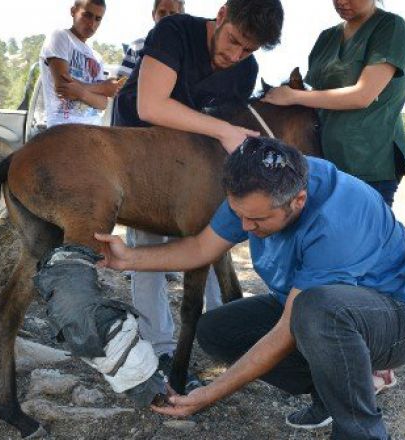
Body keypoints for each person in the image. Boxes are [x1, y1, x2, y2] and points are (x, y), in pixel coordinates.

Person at [95, 137, 405, 440]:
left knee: (319, 311)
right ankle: (332, 393)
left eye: (258, 220)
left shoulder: (337, 219)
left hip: (398, 318)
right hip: (315, 307)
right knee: (217, 330)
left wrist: (211, 393)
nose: (245, 227)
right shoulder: (256, 186)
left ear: (299, 200)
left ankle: (362, 432)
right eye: (239, 215)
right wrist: (128, 259)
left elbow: (286, 331)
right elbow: (202, 248)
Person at [111, 0, 284, 368]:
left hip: (196, 172)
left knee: (212, 241)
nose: (235, 56)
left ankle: (221, 335)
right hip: (141, 160)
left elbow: (226, 136)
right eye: (233, 40)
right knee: (148, 249)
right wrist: (223, 130)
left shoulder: (245, 70)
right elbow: (150, 106)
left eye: (248, 49)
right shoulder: (174, 31)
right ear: (221, 15)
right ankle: (158, 347)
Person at [263, 0, 405, 208]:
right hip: (322, 164)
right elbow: (315, 96)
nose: (341, 2)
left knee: (359, 227)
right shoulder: (326, 38)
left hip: (369, 163)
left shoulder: (391, 27)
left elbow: (363, 96)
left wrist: (292, 97)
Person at [38, 0, 123, 128]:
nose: (92, 23)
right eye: (87, 15)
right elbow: (63, 87)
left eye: (98, 19)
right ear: (73, 11)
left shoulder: (97, 57)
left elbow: (102, 103)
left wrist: (81, 92)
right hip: (63, 129)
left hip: (93, 130)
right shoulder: (60, 36)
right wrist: (102, 88)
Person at [116, 0, 186, 79]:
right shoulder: (135, 47)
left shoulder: (188, 52)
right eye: (162, 12)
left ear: (181, 18)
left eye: (172, 13)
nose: (166, 17)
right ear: (153, 15)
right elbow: (121, 82)